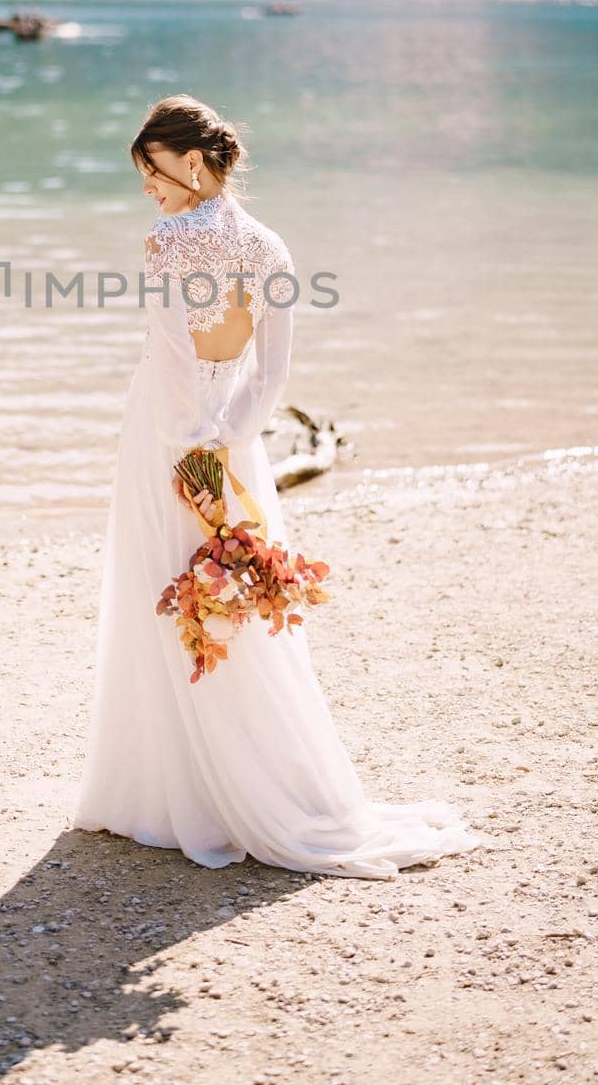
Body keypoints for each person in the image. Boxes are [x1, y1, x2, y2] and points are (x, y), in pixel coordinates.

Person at [71, 94, 483, 876]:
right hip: (235, 440)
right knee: (235, 606)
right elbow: (273, 371)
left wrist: (188, 454)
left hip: (167, 439)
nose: (148, 191)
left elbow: (170, 357)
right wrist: (227, 445)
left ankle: (169, 793)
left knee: (166, 597)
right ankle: (263, 783)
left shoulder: (167, 243)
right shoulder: (270, 246)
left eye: (152, 173)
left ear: (192, 164)